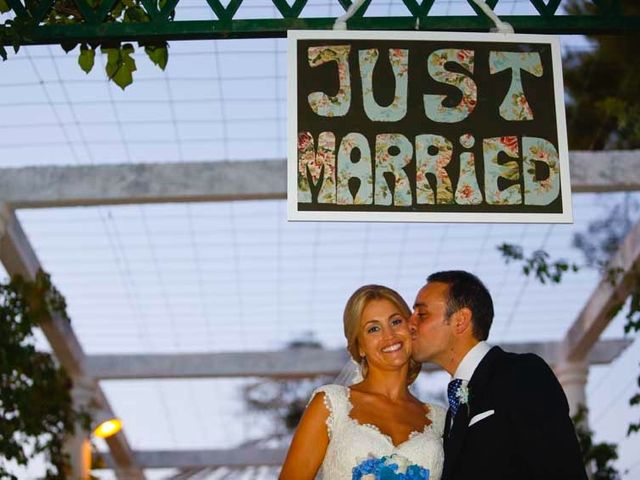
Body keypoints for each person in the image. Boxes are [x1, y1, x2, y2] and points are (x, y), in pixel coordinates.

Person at [409, 270, 588, 480]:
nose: (410, 323)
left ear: (461, 321)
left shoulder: (522, 374)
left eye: (421, 315)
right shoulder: (453, 410)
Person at [280, 285, 445, 480]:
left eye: (396, 321)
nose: (389, 335)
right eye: (373, 329)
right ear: (360, 347)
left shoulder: (439, 418)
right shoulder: (332, 404)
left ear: (411, 328)